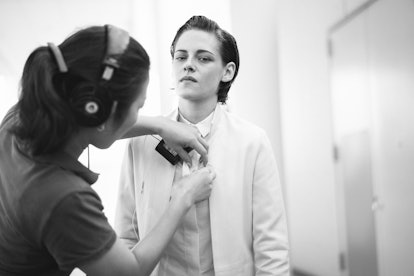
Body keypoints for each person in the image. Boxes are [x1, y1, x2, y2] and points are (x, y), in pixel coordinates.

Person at [0, 24, 216, 276]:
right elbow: (128, 273)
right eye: (137, 107)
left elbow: (91, 122)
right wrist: (182, 198)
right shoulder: (64, 198)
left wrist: (159, 124)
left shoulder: (20, 118)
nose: (137, 116)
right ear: (100, 114)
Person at [115, 15, 290, 276]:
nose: (188, 65)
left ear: (227, 71)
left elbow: (271, 246)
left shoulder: (252, 142)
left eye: (203, 58)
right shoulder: (142, 141)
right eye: (181, 57)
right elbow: (126, 234)